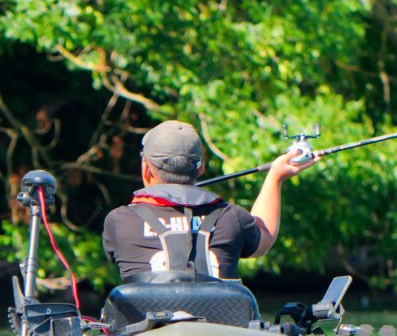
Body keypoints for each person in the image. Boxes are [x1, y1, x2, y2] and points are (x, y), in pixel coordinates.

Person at [102, 120, 317, 282]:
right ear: (201, 168)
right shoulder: (231, 218)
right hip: (216, 335)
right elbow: (265, 236)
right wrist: (275, 177)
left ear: (146, 169)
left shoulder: (119, 221)